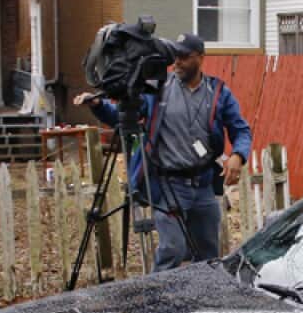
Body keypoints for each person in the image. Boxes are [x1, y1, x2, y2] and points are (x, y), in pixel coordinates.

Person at [75, 32, 252, 270]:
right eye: (175, 56)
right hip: (170, 186)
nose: (177, 62)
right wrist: (98, 106)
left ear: (200, 58)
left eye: (184, 57)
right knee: (173, 250)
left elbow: (241, 129)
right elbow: (124, 117)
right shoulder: (158, 89)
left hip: (203, 186)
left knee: (208, 254)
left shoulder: (218, 92)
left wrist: (238, 156)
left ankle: (202, 301)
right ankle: (159, 301)